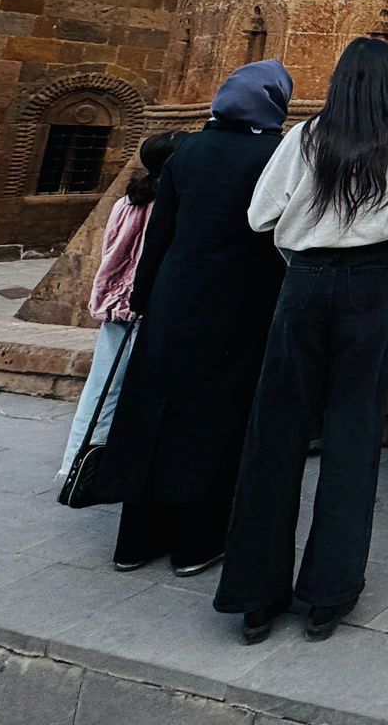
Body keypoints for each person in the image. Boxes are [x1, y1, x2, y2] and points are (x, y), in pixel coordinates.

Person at [215, 37, 388, 644]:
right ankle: (328, 595)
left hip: (307, 281)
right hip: (372, 286)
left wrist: (310, 230)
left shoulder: (308, 136)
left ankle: (256, 596)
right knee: (353, 431)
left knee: (277, 431)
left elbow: (261, 216)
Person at [97, 61, 291, 580]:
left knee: (154, 411)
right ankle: (194, 542)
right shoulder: (273, 156)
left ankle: (134, 540)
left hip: (174, 298)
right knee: (214, 420)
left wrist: (143, 295)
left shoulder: (186, 152)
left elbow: (160, 230)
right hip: (237, 305)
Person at [58, 131, 183, 478]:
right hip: (145, 303)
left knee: (103, 384)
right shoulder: (170, 203)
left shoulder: (126, 201)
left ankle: (76, 463)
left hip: (115, 301)